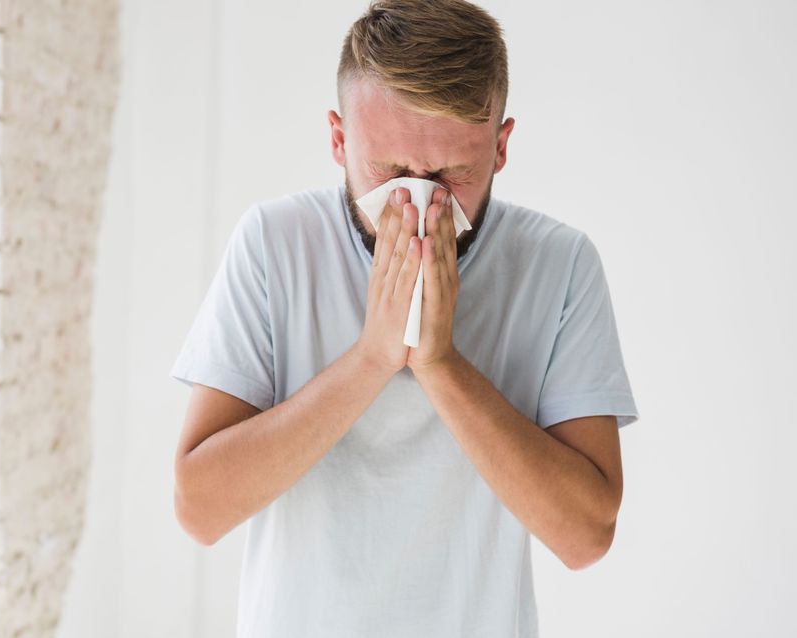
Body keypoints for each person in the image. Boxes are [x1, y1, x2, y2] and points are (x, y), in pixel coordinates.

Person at [169, 1, 639, 636]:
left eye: (451, 173)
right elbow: (199, 509)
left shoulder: (560, 264)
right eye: (388, 171)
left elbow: (586, 537)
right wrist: (371, 358)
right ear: (339, 139)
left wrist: (440, 362)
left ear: (500, 147)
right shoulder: (273, 244)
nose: (418, 200)